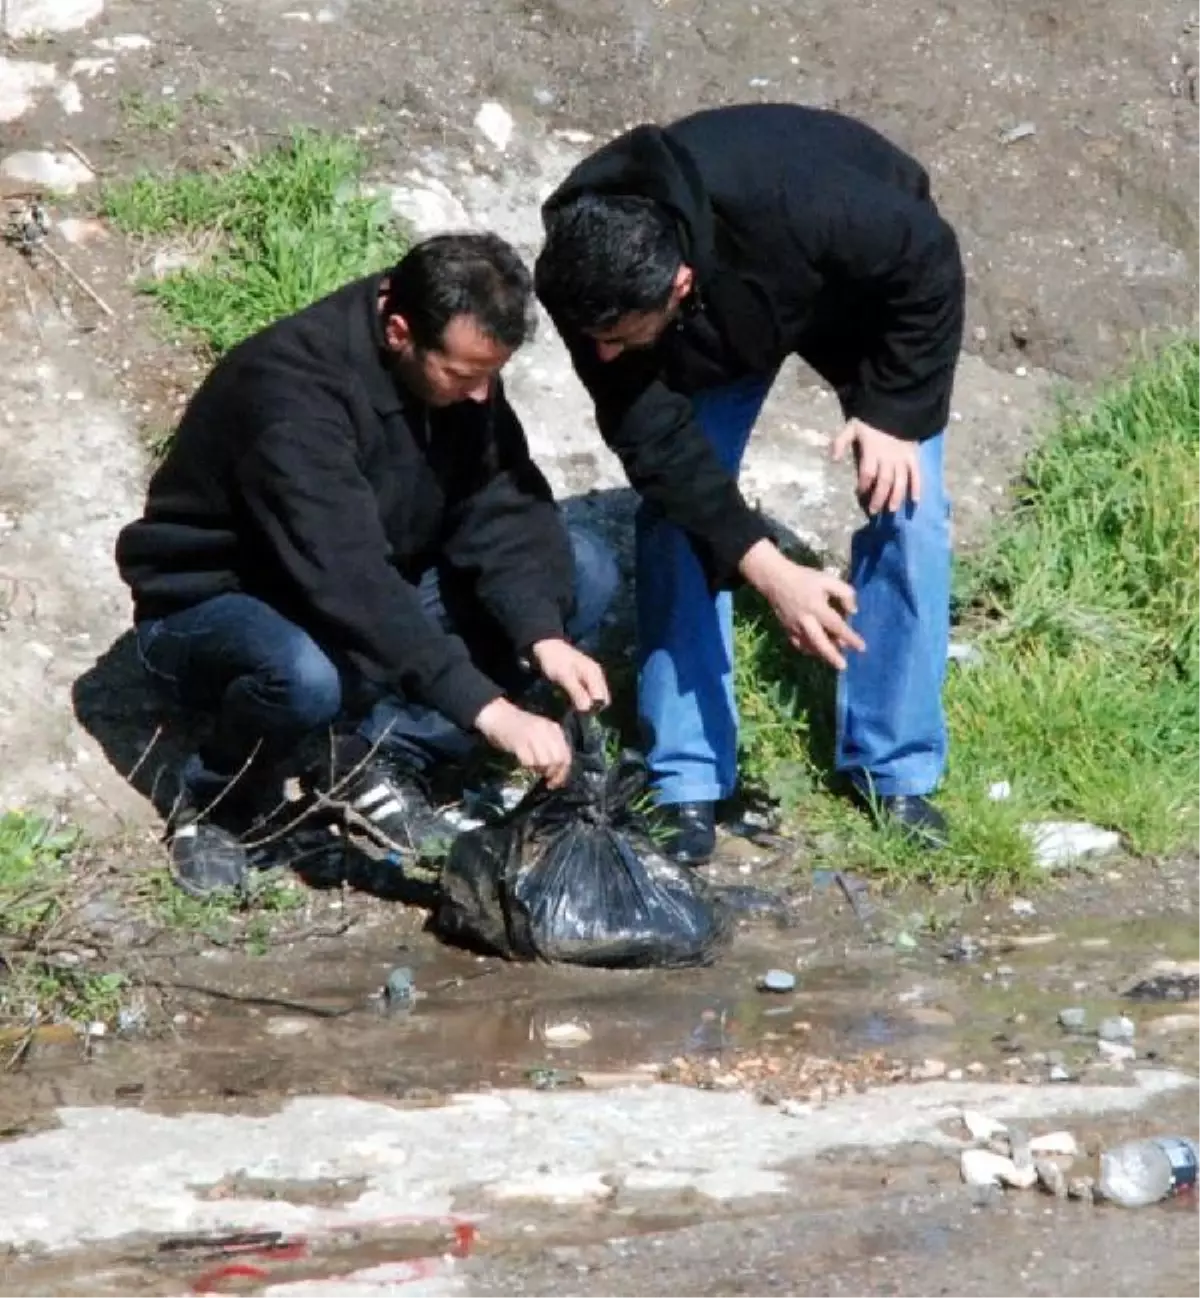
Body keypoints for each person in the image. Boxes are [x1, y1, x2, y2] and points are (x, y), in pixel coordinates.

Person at [117, 232, 617, 897]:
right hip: (216, 608)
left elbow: (502, 505)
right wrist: (490, 710)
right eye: (465, 375)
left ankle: (378, 753)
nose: (480, 396)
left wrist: (542, 634)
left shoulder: (454, 369)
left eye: (491, 375)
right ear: (399, 330)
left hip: (357, 587)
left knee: (579, 573)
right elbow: (351, 582)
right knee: (302, 676)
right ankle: (217, 805)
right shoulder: (292, 399)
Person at [534, 102, 965, 865]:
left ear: (678, 283)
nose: (600, 357)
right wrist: (770, 571)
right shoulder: (583, 272)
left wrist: (894, 413)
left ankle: (894, 769)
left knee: (910, 506)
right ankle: (687, 777)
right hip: (710, 336)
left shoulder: (810, 199)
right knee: (674, 520)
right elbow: (659, 449)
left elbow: (927, 262)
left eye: (618, 338)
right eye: (593, 339)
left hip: (853, 293)